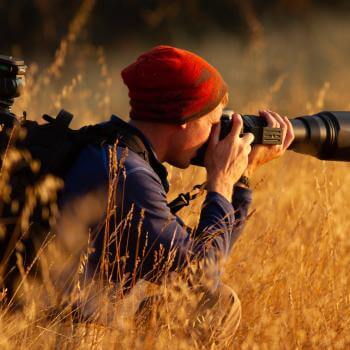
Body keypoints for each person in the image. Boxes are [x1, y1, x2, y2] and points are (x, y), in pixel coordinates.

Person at [54, 45, 294, 345]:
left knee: (213, 301)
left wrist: (240, 180)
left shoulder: (112, 149)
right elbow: (201, 273)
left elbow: (202, 259)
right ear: (183, 118)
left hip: (80, 311)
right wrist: (221, 180)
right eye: (212, 123)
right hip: (63, 328)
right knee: (214, 306)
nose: (215, 136)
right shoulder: (128, 176)